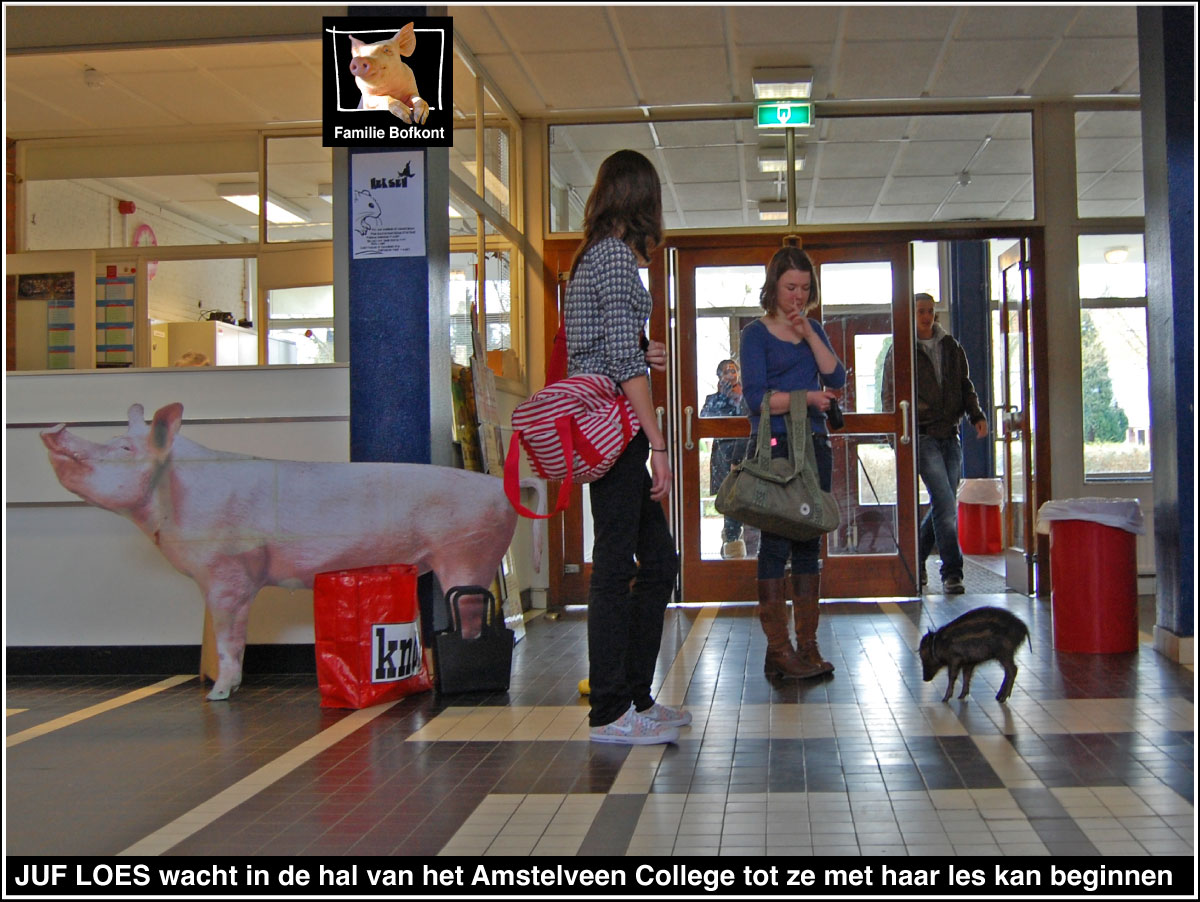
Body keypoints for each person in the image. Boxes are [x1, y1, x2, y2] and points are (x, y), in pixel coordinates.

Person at [564, 149, 686, 745]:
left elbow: (614, 348)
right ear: (641, 199)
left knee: (657, 564)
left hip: (611, 427)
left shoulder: (599, 256)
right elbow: (615, 361)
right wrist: (657, 443)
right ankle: (610, 710)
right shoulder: (613, 258)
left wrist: (645, 353)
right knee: (616, 568)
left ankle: (634, 697)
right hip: (615, 434)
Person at [740, 246, 846, 680]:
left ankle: (807, 645)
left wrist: (809, 334)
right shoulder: (755, 334)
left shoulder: (812, 328)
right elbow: (756, 399)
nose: (797, 296)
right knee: (776, 542)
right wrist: (808, 399)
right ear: (773, 287)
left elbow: (836, 377)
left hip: (814, 445)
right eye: (789, 287)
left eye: (804, 288)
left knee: (809, 540)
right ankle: (779, 648)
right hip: (777, 446)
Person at [884, 292, 989, 595]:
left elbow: (965, 386)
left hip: (950, 433)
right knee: (945, 503)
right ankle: (952, 572)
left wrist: (976, 415)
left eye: (929, 311)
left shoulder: (951, 347)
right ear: (911, 315)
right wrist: (895, 436)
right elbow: (890, 393)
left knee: (943, 504)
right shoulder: (901, 350)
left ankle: (914, 562)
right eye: (920, 311)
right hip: (922, 433)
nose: (926, 316)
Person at [700, 359, 752, 558]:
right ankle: (731, 544)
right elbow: (705, 418)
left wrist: (738, 398)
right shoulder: (713, 398)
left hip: (745, 451)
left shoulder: (746, 396)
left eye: (733, 371)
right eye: (725, 372)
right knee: (729, 500)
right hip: (723, 454)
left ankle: (733, 542)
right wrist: (724, 396)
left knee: (742, 499)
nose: (730, 375)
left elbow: (749, 418)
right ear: (719, 377)